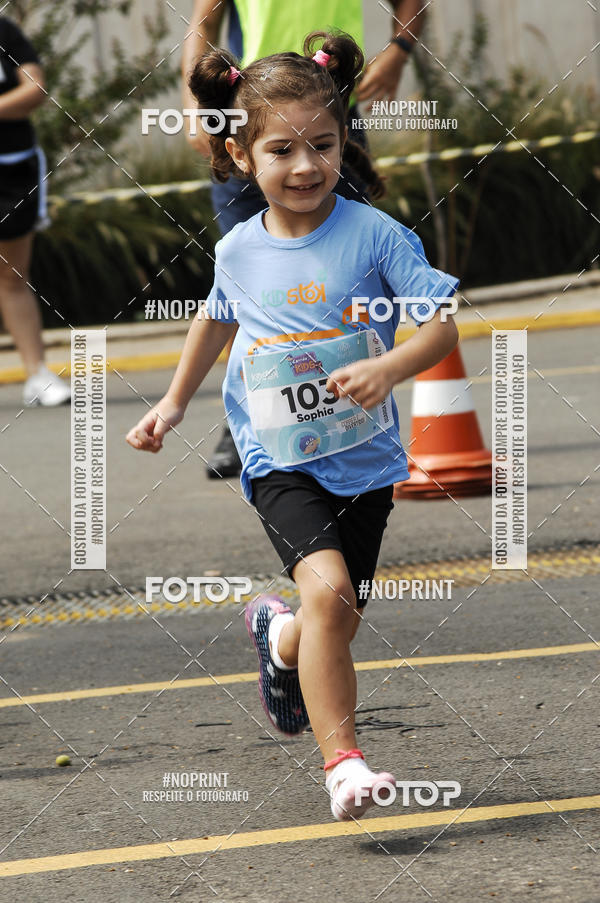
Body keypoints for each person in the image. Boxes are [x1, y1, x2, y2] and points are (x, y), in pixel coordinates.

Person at [127, 31, 459, 821]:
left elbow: (440, 327)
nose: (305, 165)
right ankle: (343, 763)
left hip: (367, 462)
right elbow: (214, 321)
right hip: (278, 459)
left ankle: (278, 638)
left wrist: (389, 367)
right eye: (281, 148)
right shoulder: (240, 246)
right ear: (241, 156)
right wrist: (172, 403)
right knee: (334, 594)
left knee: (331, 617)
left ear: (345, 141)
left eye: (323, 144)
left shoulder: (377, 235)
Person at [182, 0, 427, 478]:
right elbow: (203, 20)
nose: (304, 164)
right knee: (249, 285)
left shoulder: (369, 220)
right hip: (252, 116)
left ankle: (349, 415)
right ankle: (253, 417)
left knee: (341, 275)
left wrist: (400, 48)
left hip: (324, 105)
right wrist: (195, 107)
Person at [0, 16, 70, 406]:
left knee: (12, 275)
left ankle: (37, 375)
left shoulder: (4, 31)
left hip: (12, 167)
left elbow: (35, 88)